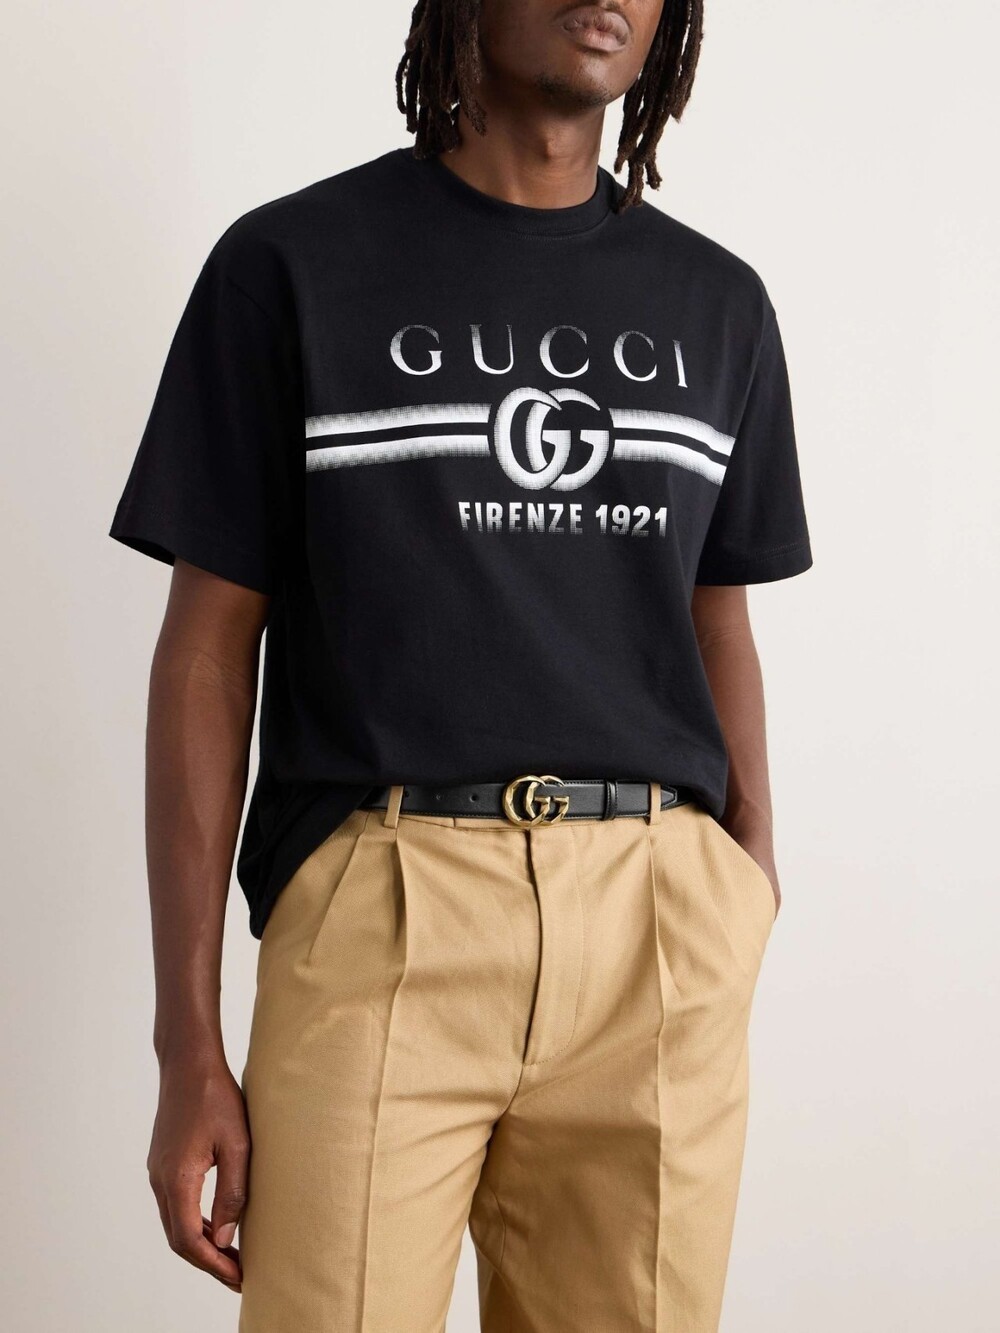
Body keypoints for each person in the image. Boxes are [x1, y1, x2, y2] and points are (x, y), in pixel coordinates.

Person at [108, 0, 813, 1328]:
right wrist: (186, 1040)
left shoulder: (718, 304)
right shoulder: (291, 265)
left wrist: (746, 876)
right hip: (384, 912)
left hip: (658, 929)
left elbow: (717, 613)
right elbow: (206, 648)